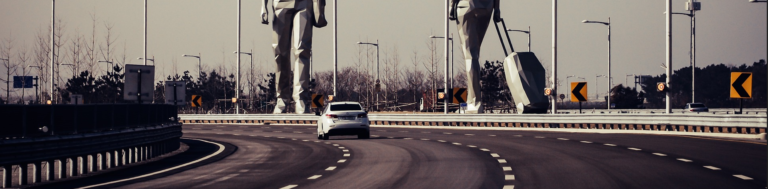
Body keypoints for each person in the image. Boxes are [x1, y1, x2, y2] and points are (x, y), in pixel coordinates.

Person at [261, 0, 326, 114]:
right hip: (280, 3)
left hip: (304, 3)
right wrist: (263, 5)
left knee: (302, 50)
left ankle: (300, 98)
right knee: (280, 52)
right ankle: (282, 98)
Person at [449, 0, 500, 114]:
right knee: (474, 53)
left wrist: (451, 6)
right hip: (487, 8)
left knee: (470, 55)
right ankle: (471, 99)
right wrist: (497, 8)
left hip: (466, 6)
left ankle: (475, 103)